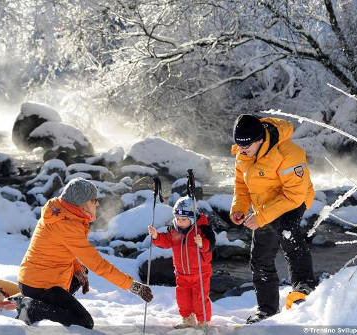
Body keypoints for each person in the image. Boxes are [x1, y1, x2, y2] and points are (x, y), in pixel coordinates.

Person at [18, 178, 153, 328]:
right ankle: (31, 309)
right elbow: (99, 265)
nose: (97, 203)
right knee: (84, 322)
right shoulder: (66, 224)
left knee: (81, 271)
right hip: (41, 286)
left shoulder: (60, 213)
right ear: (81, 202)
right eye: (93, 200)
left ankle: (42, 304)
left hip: (34, 279)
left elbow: (62, 247)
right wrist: (133, 286)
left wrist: (76, 268)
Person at [229, 114, 316, 323]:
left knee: (288, 232)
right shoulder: (243, 153)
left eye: (246, 147)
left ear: (260, 140)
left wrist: (261, 217)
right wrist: (239, 208)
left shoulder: (289, 153)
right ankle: (267, 310)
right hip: (264, 205)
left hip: (293, 201)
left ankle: (303, 287)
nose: (241, 151)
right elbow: (241, 186)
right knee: (260, 258)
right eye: (239, 146)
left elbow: (294, 195)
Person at [148, 196, 215, 329]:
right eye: (177, 219)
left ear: (192, 218)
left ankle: (203, 322)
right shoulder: (174, 230)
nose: (180, 222)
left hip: (200, 273)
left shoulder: (201, 229)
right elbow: (167, 241)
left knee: (199, 299)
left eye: (183, 219)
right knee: (183, 299)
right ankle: (187, 319)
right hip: (181, 273)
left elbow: (211, 245)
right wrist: (156, 236)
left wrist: (202, 244)